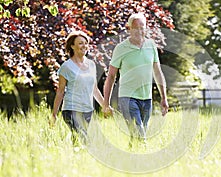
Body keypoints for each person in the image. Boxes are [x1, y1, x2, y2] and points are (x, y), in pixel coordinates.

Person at [103, 13, 169, 142]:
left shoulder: (151, 46)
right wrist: (106, 103)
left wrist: (164, 98)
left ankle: (130, 159)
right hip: (128, 97)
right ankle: (147, 159)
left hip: (147, 98)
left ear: (146, 28)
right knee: (140, 134)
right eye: (135, 28)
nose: (139, 31)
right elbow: (111, 76)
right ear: (129, 29)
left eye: (142, 27)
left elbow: (158, 72)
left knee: (137, 136)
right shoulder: (121, 48)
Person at [52, 30, 112, 145]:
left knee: (78, 140)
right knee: (83, 138)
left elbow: (94, 89)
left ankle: (74, 160)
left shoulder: (91, 65)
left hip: (87, 110)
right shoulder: (66, 67)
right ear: (72, 46)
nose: (84, 46)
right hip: (71, 109)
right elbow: (60, 92)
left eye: (85, 43)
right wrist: (54, 114)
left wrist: (105, 106)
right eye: (80, 43)